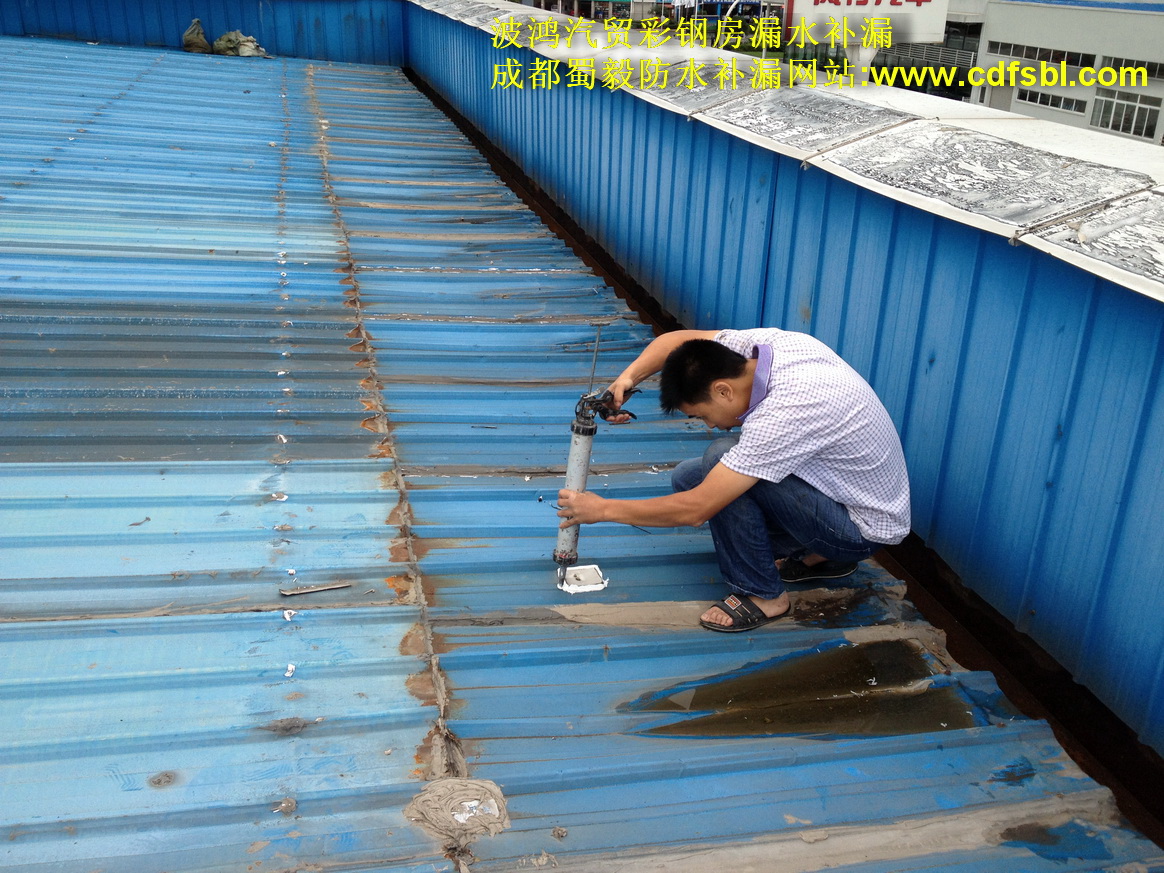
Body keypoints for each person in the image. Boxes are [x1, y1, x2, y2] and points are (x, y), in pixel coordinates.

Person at [556, 327, 910, 633]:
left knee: (718, 459)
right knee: (689, 477)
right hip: (847, 497)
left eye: (702, 415)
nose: (709, 424)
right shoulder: (763, 350)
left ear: (724, 391)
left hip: (858, 531)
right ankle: (818, 557)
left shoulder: (785, 412)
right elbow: (676, 343)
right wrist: (627, 379)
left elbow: (696, 510)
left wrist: (602, 510)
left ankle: (765, 595)